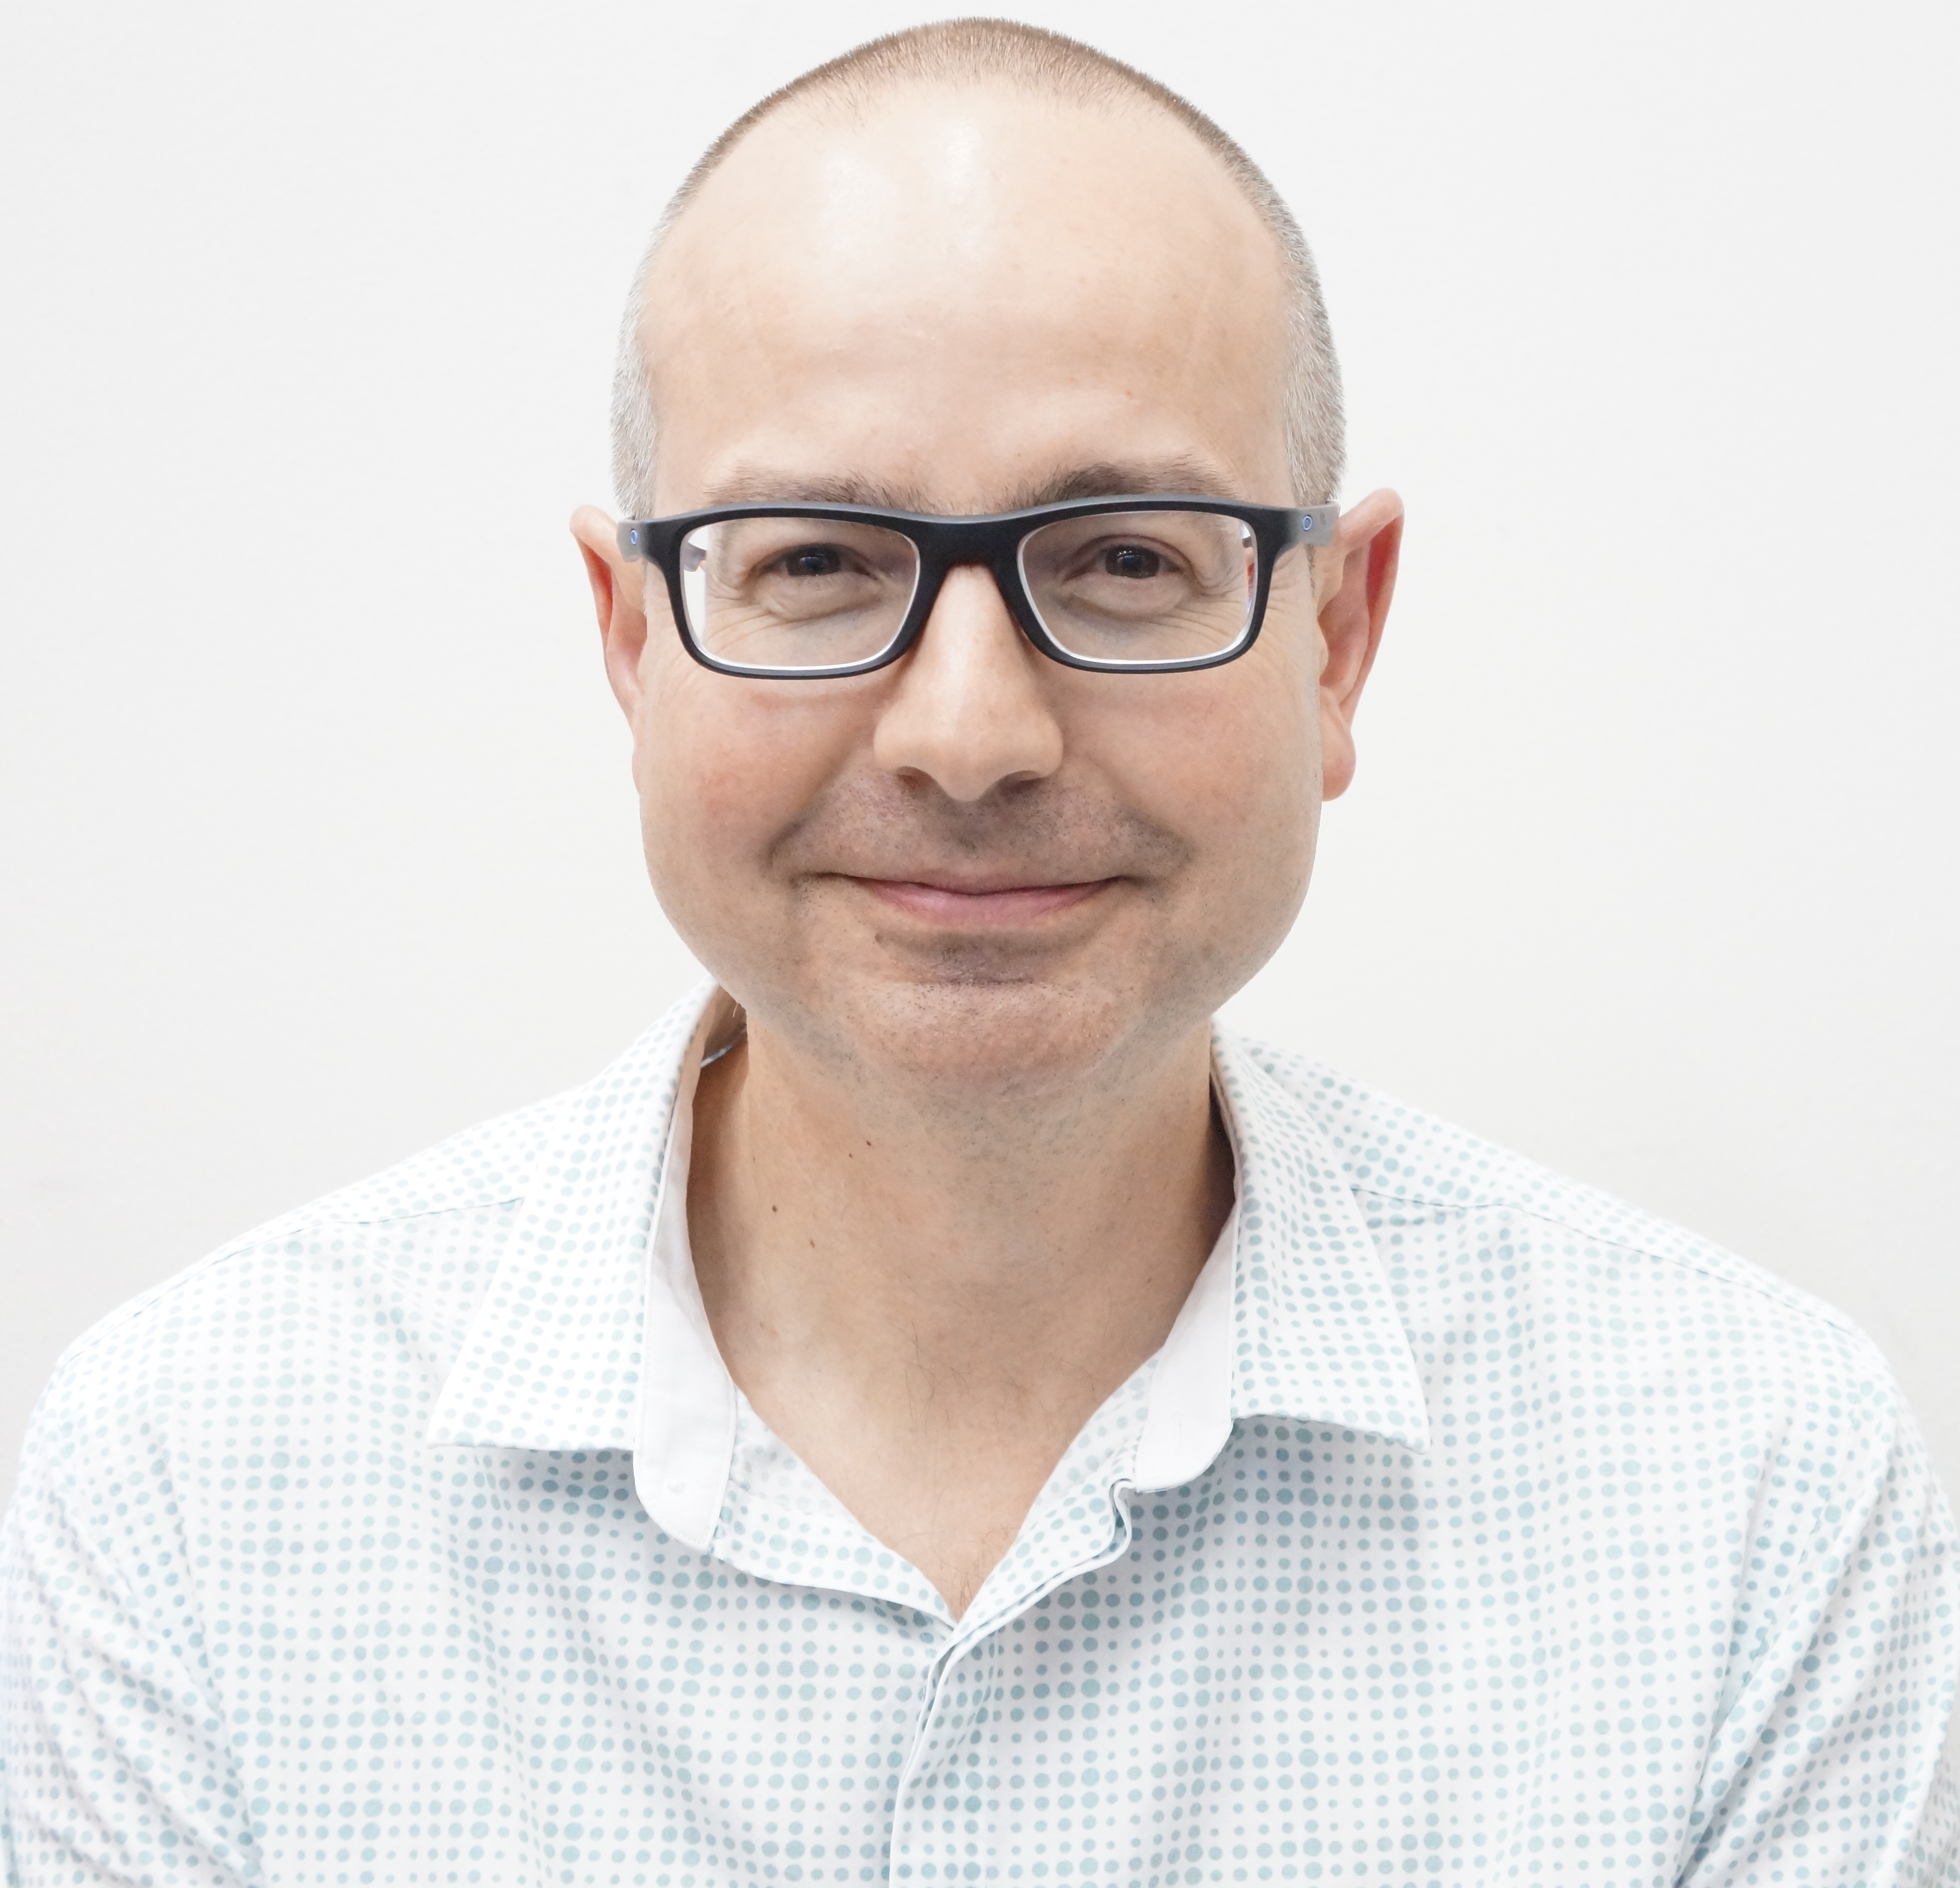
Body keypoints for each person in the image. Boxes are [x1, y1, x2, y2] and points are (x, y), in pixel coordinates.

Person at [3, 18, 1954, 1886]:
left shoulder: (1747, 1486)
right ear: (632, 639)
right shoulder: (192, 1485)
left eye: (1125, 559)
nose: (968, 735)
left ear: (1338, 640)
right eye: (815, 562)